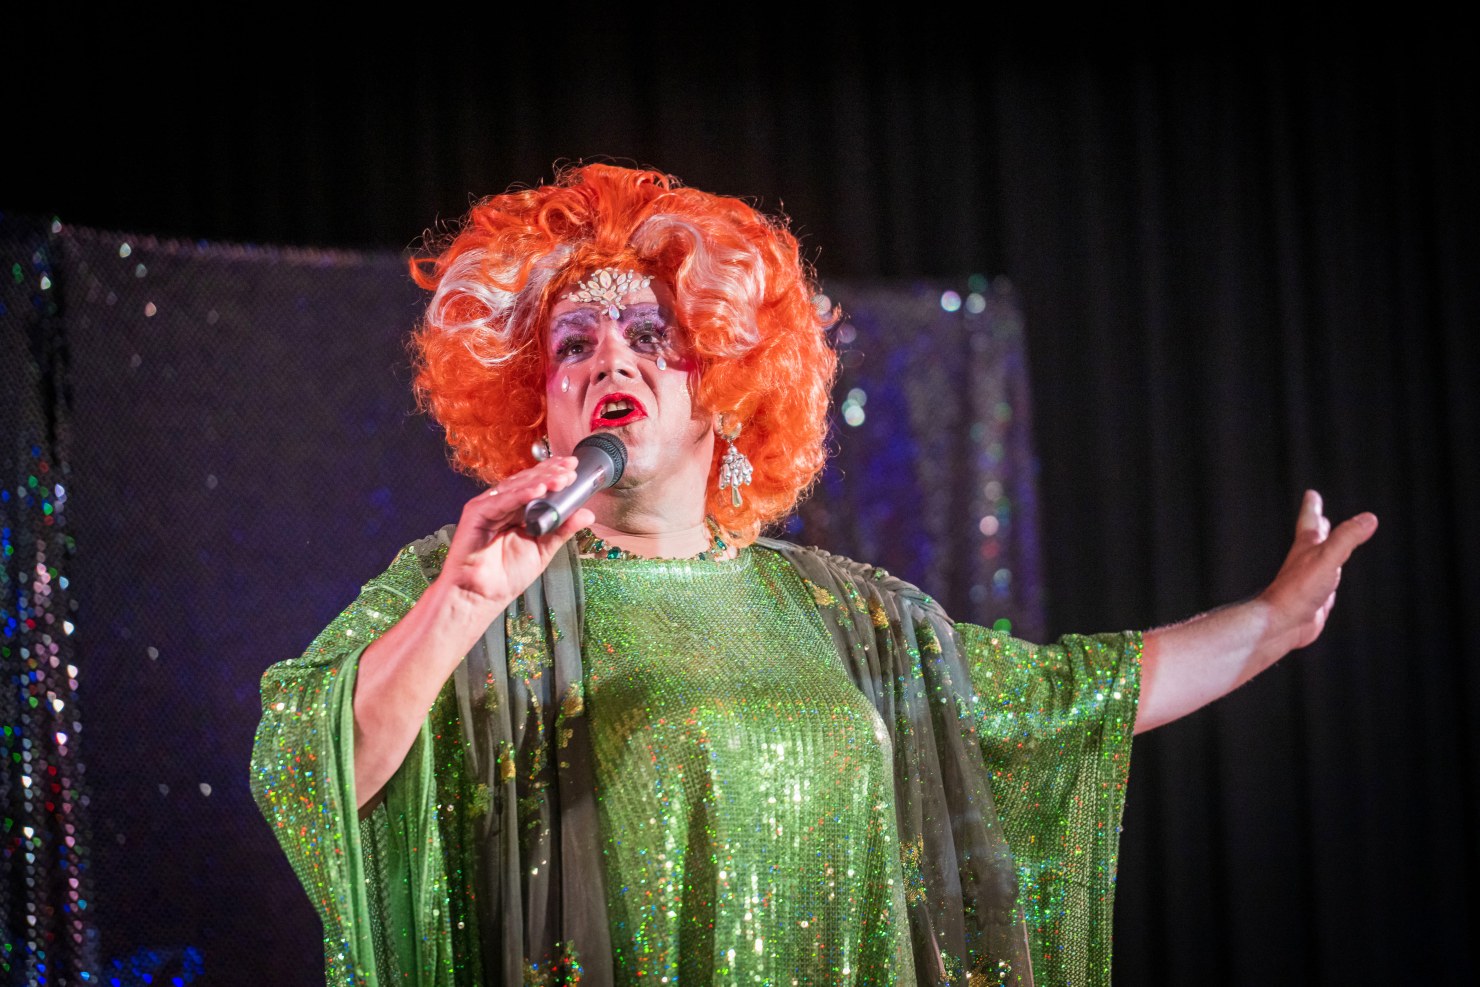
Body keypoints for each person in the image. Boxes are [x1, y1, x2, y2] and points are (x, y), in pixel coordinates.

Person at [250, 163, 1377, 987]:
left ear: (726, 386)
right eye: (573, 345)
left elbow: (1064, 698)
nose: (609, 358)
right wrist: (459, 605)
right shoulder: (469, 581)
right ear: (536, 407)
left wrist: (1273, 622)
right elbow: (311, 768)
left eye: (651, 335)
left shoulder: (844, 611)